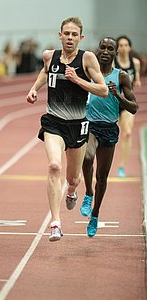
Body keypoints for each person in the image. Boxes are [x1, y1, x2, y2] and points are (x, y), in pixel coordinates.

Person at [27, 16, 108, 242]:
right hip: (53, 122)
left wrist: (78, 81)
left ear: (81, 38)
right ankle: (55, 222)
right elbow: (45, 71)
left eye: (75, 34)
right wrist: (34, 89)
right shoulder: (49, 56)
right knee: (54, 166)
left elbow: (103, 90)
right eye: (67, 33)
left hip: (77, 125)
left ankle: (71, 191)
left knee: (73, 178)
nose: (70, 38)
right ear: (60, 35)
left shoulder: (87, 59)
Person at [79, 37, 138, 237]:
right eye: (102, 47)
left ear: (114, 53)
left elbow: (134, 107)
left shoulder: (120, 76)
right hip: (90, 124)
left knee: (102, 177)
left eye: (109, 48)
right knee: (87, 158)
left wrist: (118, 95)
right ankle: (88, 193)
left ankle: (95, 214)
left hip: (110, 128)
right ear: (98, 50)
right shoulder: (89, 72)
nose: (105, 51)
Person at [114, 35, 141, 177]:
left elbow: (136, 79)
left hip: (127, 103)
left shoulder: (135, 63)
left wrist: (136, 81)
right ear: (117, 48)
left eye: (126, 45)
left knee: (128, 133)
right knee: (108, 135)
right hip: (112, 102)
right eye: (121, 45)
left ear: (130, 47)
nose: (123, 48)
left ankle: (122, 166)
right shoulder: (113, 63)